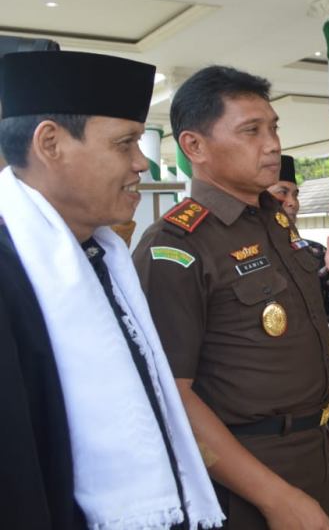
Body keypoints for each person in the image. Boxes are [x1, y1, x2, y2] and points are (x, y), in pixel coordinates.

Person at [133, 65, 329, 530]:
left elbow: (300, 344)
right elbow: (170, 395)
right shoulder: (176, 247)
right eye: (251, 131)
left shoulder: (277, 224)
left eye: (273, 128)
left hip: (313, 454)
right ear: (194, 146)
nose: (272, 144)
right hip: (239, 479)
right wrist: (275, 498)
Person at [0, 50, 222, 529]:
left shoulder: (103, 256)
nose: (142, 163)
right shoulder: (11, 269)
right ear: (50, 144)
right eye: (125, 144)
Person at [269, 154, 329, 332]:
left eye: (295, 195)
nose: (293, 203)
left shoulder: (314, 253)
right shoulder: (239, 252)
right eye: (282, 192)